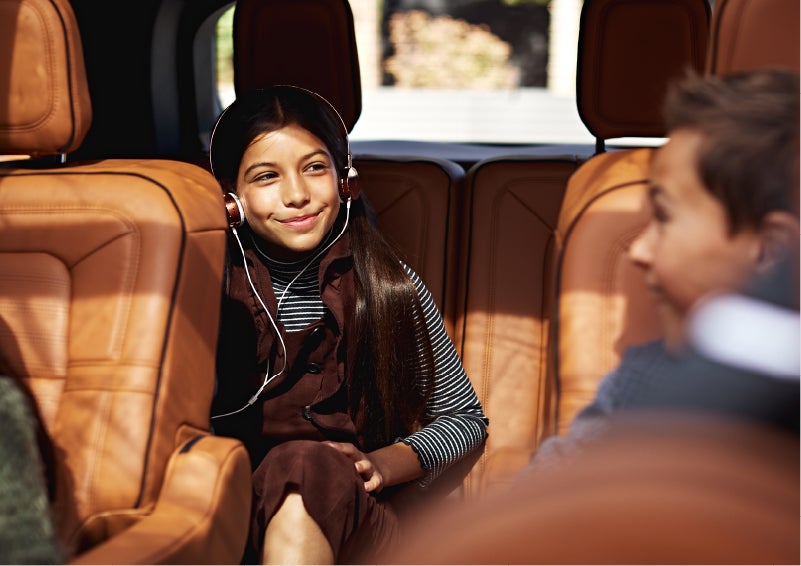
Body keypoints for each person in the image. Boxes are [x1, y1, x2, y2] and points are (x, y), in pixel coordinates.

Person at [207, 85, 488, 564]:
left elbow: (466, 423)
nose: (297, 195)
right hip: (233, 519)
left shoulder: (387, 287)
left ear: (345, 180)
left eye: (314, 168)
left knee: (302, 465)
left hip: (368, 524)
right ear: (232, 200)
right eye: (266, 176)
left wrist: (382, 464)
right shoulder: (208, 289)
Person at [526, 68, 799, 471]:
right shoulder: (637, 386)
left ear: (772, 250)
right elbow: (543, 505)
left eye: (664, 217)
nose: (638, 250)